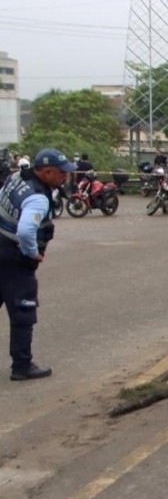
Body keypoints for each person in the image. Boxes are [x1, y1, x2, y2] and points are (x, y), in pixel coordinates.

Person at [0, 148, 77, 380]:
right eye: (62, 173)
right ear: (47, 172)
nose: (65, 177)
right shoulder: (38, 197)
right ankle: (22, 366)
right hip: (14, 256)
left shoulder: (16, 177)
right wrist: (32, 253)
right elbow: (26, 230)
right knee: (23, 310)